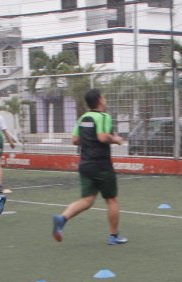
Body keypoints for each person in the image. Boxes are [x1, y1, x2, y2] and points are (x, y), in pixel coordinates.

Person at [52, 89, 127, 245]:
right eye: (104, 97)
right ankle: (114, 236)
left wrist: (88, 139)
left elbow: (75, 140)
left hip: (85, 164)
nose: (105, 100)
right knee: (111, 199)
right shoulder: (104, 117)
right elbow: (102, 137)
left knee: (87, 200)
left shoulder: (82, 118)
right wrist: (117, 139)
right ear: (100, 100)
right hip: (102, 165)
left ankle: (62, 218)